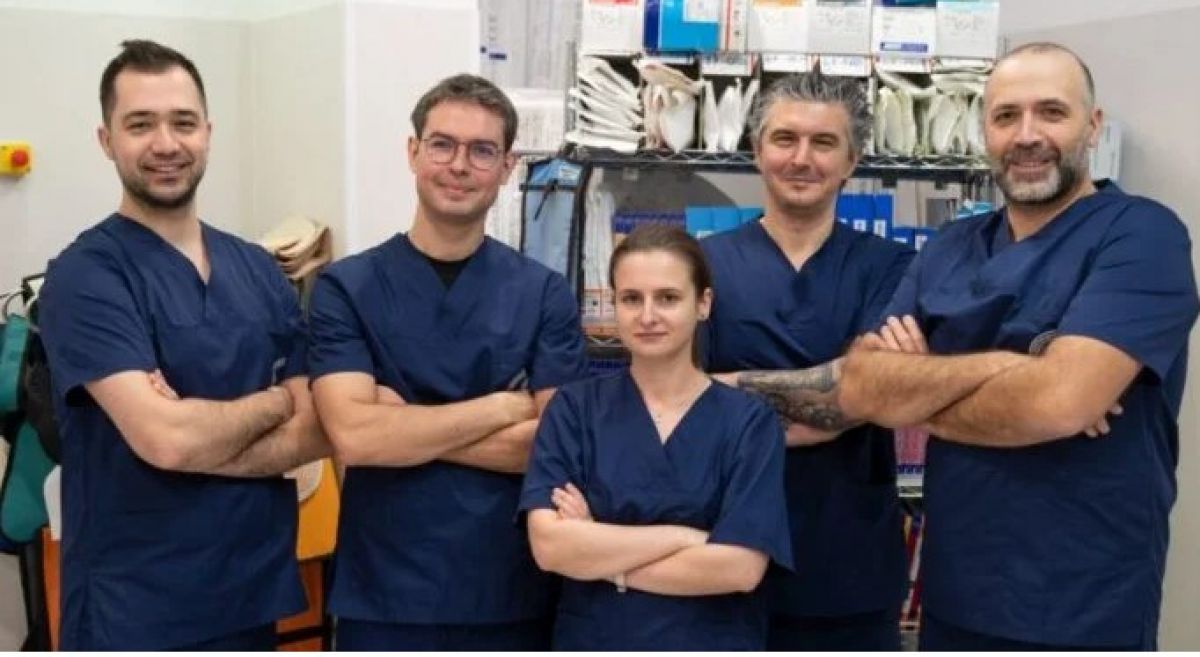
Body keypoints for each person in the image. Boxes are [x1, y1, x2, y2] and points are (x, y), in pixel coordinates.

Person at [834, 42, 1199, 650]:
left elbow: (1058, 403)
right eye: (1006, 116)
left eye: (1051, 112)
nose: (1027, 135)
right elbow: (861, 385)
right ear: (985, 131)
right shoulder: (950, 246)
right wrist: (1021, 369)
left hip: (1084, 604)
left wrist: (921, 388)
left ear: (1092, 126)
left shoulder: (1142, 235)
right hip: (955, 594)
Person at [38, 40, 329, 650]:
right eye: (140, 124)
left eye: (183, 122)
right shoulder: (87, 277)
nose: (166, 143)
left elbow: (316, 432)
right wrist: (275, 401)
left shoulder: (257, 268)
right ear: (106, 140)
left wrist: (194, 436)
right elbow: (167, 440)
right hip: (137, 605)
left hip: (249, 589)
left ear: (208, 134)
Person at [308, 74, 588, 650]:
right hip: (385, 594)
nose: (459, 165)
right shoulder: (346, 288)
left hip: (510, 591)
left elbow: (554, 448)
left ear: (508, 167)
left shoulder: (544, 294)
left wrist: (401, 426)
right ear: (413, 152)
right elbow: (355, 438)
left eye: (482, 151)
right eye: (442, 145)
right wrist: (502, 407)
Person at [702, 72, 916, 650]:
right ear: (757, 151)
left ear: (852, 161)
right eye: (785, 139)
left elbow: (868, 394)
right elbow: (678, 404)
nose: (802, 159)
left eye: (823, 143)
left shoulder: (894, 267)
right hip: (721, 554)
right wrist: (834, 389)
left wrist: (727, 389)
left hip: (849, 566)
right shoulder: (702, 264)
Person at [520, 224, 792, 650]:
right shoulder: (574, 411)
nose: (647, 316)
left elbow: (739, 568)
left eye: (667, 298)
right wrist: (683, 538)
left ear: (703, 304)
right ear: (614, 304)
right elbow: (551, 547)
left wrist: (601, 553)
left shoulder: (749, 422)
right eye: (632, 298)